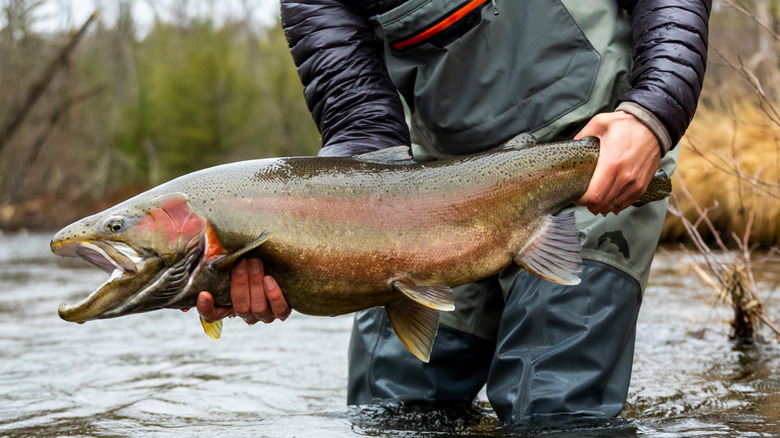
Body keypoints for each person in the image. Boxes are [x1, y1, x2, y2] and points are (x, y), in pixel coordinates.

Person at [198, 0, 711, 426]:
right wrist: (293, 261)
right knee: (392, 414)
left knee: (554, 411)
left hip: (590, 152)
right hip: (432, 192)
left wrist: (654, 111)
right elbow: (362, 135)